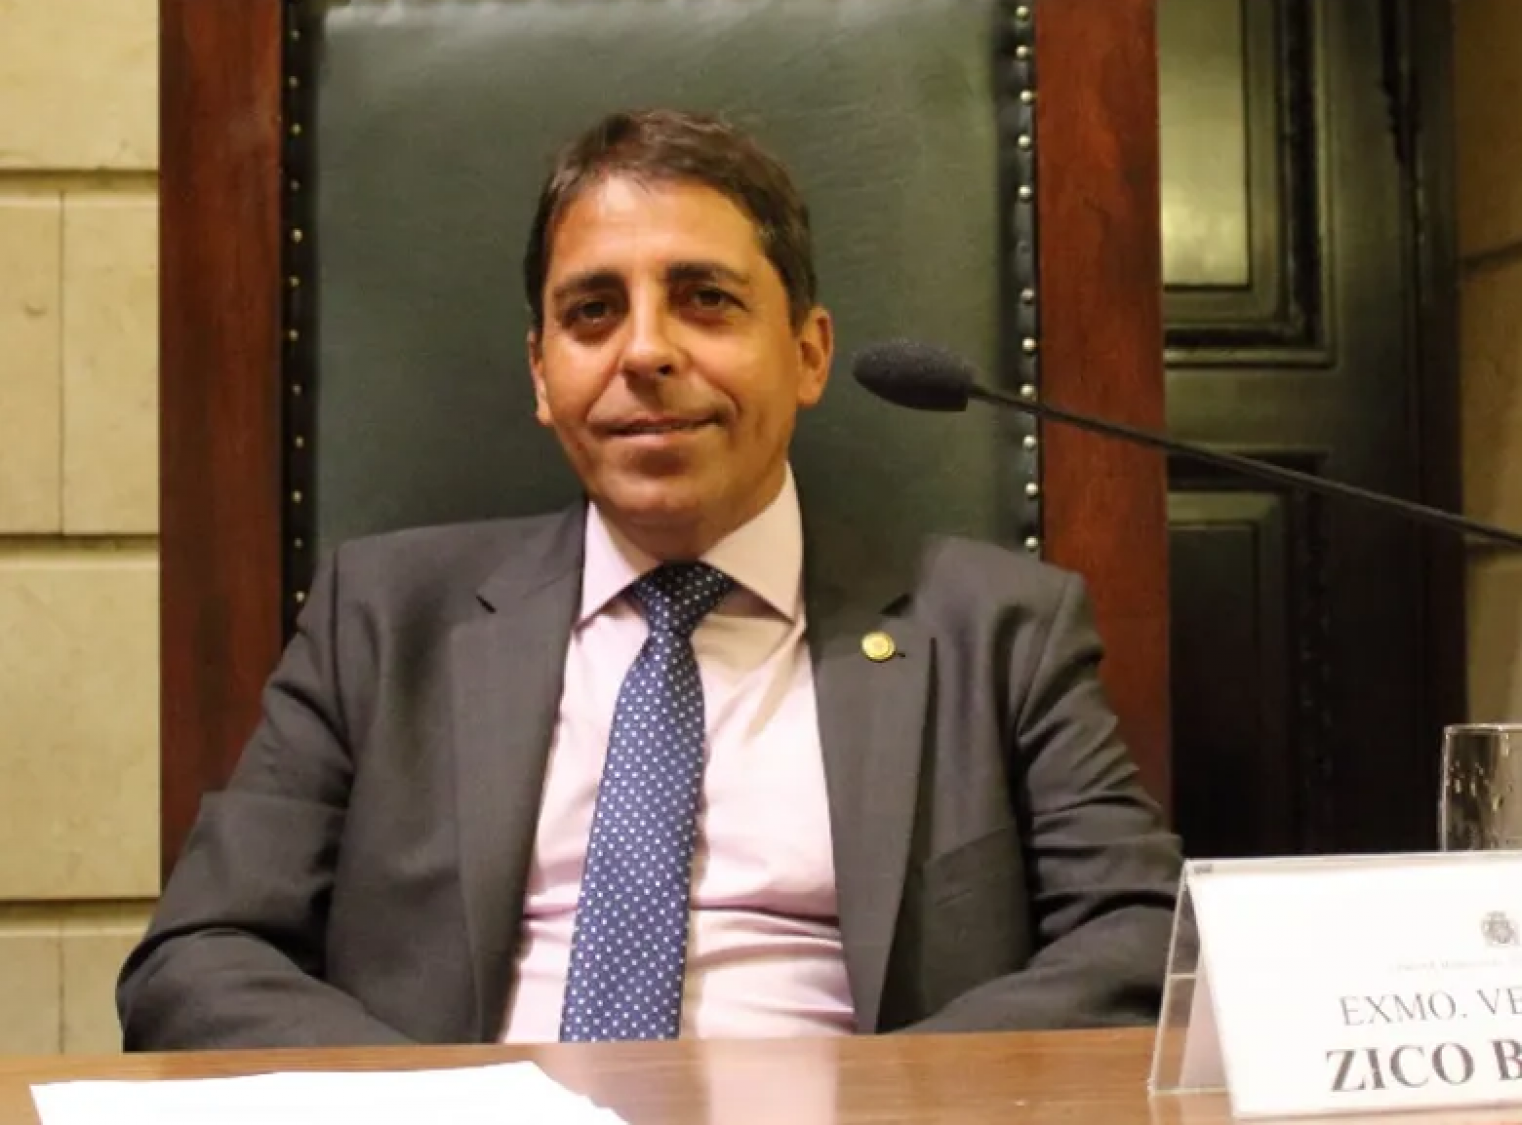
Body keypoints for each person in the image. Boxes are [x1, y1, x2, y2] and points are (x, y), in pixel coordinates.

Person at [117, 108, 1182, 1050]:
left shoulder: (998, 632)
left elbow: (1143, 943)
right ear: (542, 374)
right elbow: (199, 959)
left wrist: (873, 1100)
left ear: (809, 354)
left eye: (705, 300)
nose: (644, 352)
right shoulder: (383, 622)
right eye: (592, 313)